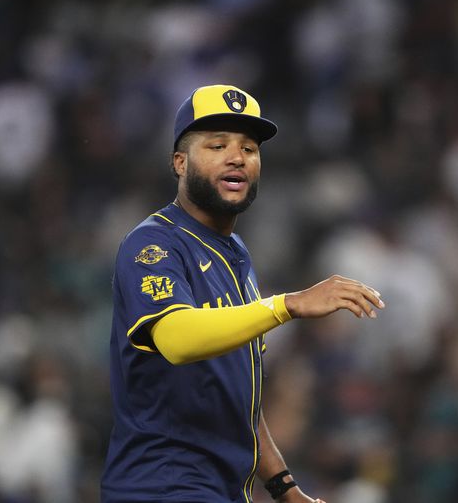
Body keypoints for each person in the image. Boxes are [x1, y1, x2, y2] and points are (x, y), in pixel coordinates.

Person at [101, 84, 385, 503]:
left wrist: (286, 489)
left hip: (222, 489)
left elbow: (238, 397)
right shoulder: (154, 244)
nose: (237, 157)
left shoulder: (236, 255)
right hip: (161, 485)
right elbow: (175, 339)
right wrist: (286, 305)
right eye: (217, 146)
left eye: (250, 149)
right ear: (180, 163)